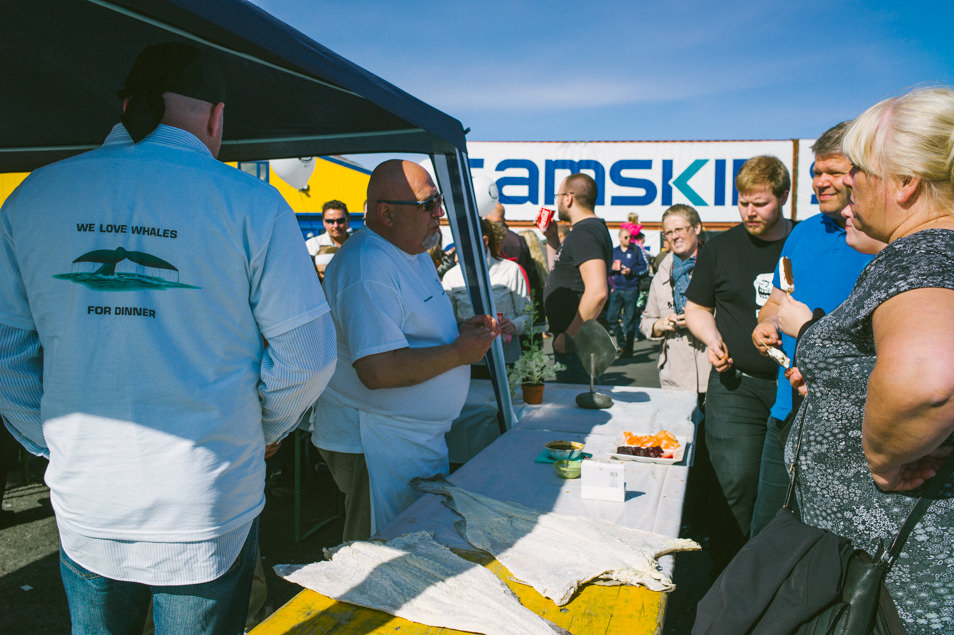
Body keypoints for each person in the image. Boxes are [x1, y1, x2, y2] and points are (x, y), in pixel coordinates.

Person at [0, 42, 335, 633]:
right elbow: (306, 359)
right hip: (205, 498)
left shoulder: (33, 196)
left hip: (88, 500)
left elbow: (8, 355)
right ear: (215, 117)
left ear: (126, 107)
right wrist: (257, 429)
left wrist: (55, 444)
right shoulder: (250, 203)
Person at [785, 87, 954, 632]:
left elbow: (927, 380)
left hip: (890, 572)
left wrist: (883, 456)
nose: (848, 182)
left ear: (906, 184)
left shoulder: (926, 251)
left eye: (860, 169)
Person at [311, 159, 500, 540]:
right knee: (378, 555)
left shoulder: (410, 253)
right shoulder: (366, 263)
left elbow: (410, 333)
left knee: (411, 542)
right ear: (386, 213)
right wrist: (460, 353)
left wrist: (463, 333)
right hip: (376, 440)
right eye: (428, 204)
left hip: (407, 438)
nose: (439, 214)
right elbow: (378, 370)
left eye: (439, 202)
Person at [746, 123, 875, 535]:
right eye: (816, 172)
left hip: (847, 424)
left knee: (825, 546)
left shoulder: (882, 241)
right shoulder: (803, 233)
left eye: (834, 171)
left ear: (863, 172)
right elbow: (775, 300)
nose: (821, 182)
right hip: (786, 412)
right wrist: (766, 324)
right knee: (765, 535)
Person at [684, 155, 794, 561]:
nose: (750, 211)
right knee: (736, 483)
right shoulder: (720, 248)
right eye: (743, 202)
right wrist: (712, 340)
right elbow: (697, 307)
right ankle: (728, 573)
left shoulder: (801, 242)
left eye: (760, 203)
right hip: (736, 387)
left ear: (783, 196)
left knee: (784, 490)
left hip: (794, 388)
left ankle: (768, 572)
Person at [543, 173, 613, 383]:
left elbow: (597, 292)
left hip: (576, 342)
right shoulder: (583, 231)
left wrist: (571, 335)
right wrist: (552, 239)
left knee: (574, 410)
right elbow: (559, 270)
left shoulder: (585, 232)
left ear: (568, 198)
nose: (557, 201)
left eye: (558, 195)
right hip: (571, 337)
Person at [639, 205, 709, 394]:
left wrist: (701, 319)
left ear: (696, 228)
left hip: (712, 374)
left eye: (679, 229)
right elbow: (646, 321)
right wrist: (660, 325)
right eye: (668, 232)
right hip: (674, 377)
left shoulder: (716, 262)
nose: (674, 236)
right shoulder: (663, 269)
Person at [443, 219, 529, 362]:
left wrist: (514, 325)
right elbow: (446, 323)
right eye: (458, 242)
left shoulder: (510, 270)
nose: (460, 247)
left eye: (465, 242)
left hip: (507, 358)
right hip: (468, 362)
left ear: (484, 241)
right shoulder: (451, 276)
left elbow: (528, 316)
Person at [606, 222, 649, 356]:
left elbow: (645, 268)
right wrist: (612, 269)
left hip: (631, 289)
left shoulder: (636, 250)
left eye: (630, 237)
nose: (628, 240)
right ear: (619, 237)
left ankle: (628, 350)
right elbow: (606, 269)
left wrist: (632, 271)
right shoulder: (614, 251)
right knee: (611, 318)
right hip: (618, 288)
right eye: (625, 237)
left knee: (629, 320)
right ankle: (621, 343)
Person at [486, 202, 542, 303]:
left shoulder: (488, 239)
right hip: (520, 293)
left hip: (498, 293)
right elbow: (528, 271)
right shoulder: (518, 240)